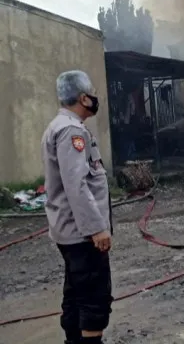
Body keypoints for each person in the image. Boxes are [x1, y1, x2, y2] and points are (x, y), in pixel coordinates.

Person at [41, 70, 113, 344]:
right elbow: (76, 185)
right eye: (93, 92)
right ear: (84, 97)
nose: (96, 97)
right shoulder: (71, 131)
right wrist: (96, 229)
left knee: (75, 292)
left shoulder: (61, 126)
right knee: (94, 297)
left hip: (69, 231)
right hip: (82, 234)